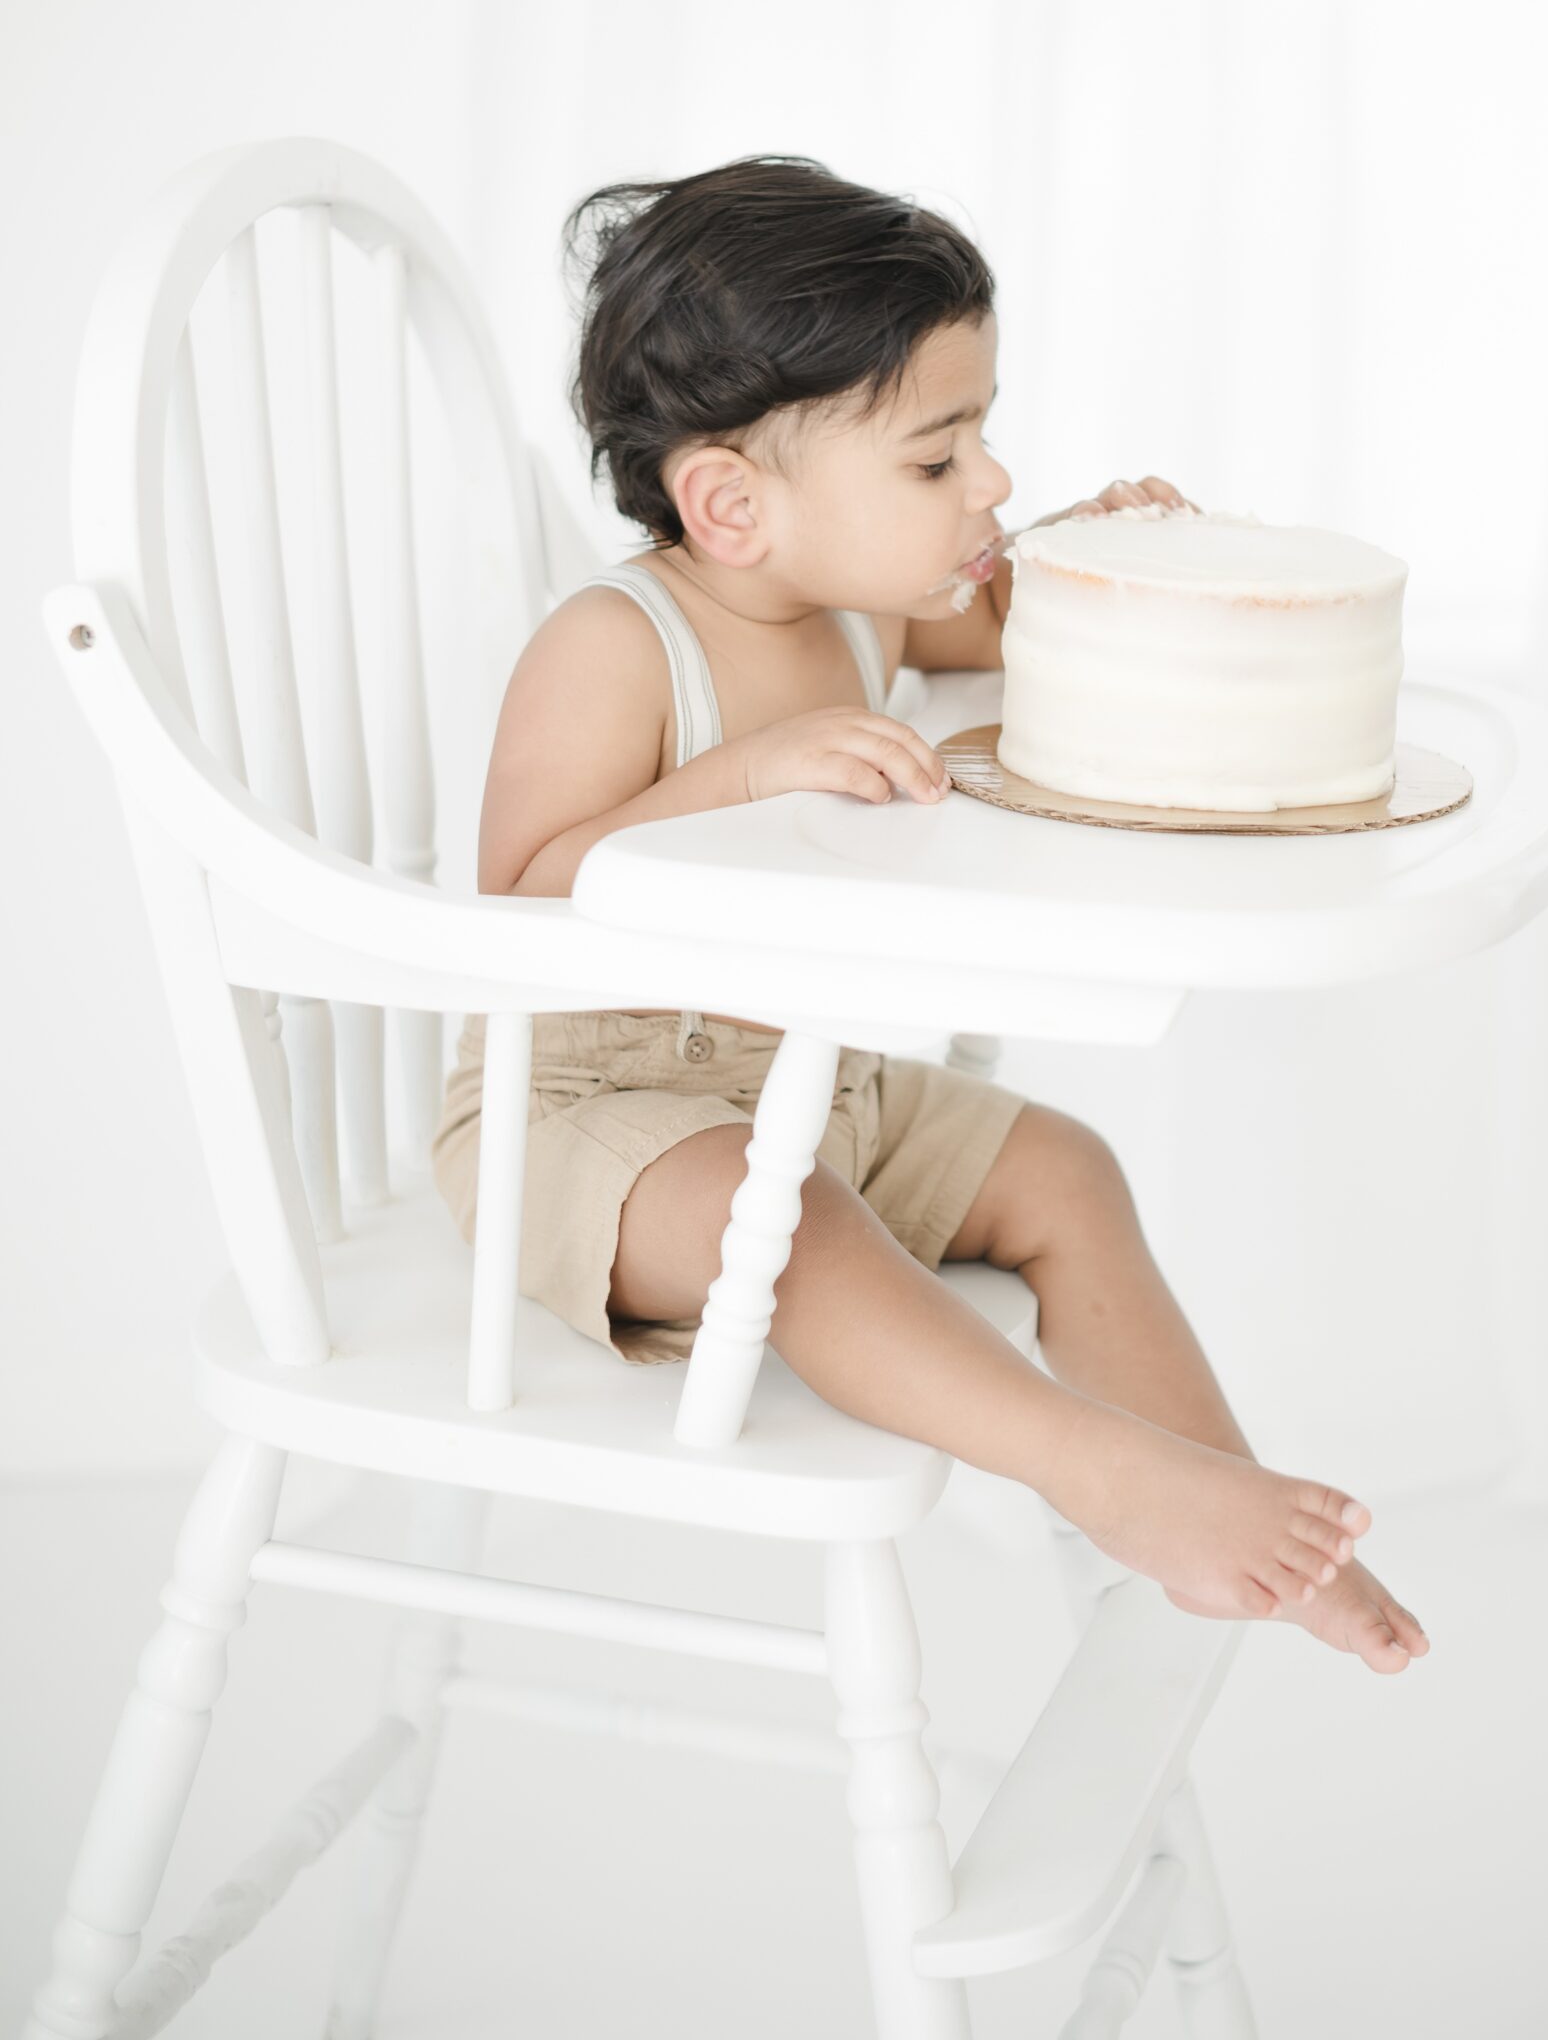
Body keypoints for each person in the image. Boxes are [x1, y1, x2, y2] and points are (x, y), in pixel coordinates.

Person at [432, 155, 1429, 1674]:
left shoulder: (863, 600)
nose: (993, 486)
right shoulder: (613, 644)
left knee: (1065, 1171)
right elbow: (516, 899)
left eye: (985, 436)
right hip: (588, 1118)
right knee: (799, 1235)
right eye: (936, 460)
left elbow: (1006, 615)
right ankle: (1100, 1469)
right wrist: (740, 773)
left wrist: (1099, 553)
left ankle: (1213, 1489)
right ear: (730, 503)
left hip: (795, 1080)